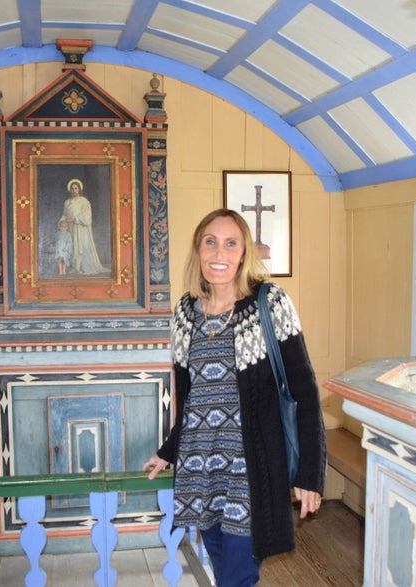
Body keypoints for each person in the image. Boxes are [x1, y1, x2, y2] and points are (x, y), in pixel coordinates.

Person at [144, 208, 327, 586]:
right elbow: (190, 397)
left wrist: (311, 473)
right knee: (225, 572)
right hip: (200, 468)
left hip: (251, 469)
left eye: (230, 244)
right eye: (210, 243)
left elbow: (304, 391)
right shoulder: (184, 313)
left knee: (237, 576)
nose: (219, 254)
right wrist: (169, 449)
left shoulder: (269, 302)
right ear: (198, 250)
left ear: (244, 253)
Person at [59, 178, 108, 275]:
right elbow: (64, 214)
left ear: (79, 189)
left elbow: (87, 216)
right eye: (72, 188)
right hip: (71, 228)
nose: (74, 190)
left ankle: (87, 268)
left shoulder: (84, 201)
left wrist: (75, 218)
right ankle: (76, 267)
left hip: (81, 228)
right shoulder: (67, 202)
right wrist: (62, 220)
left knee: (83, 247)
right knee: (72, 246)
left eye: (76, 188)